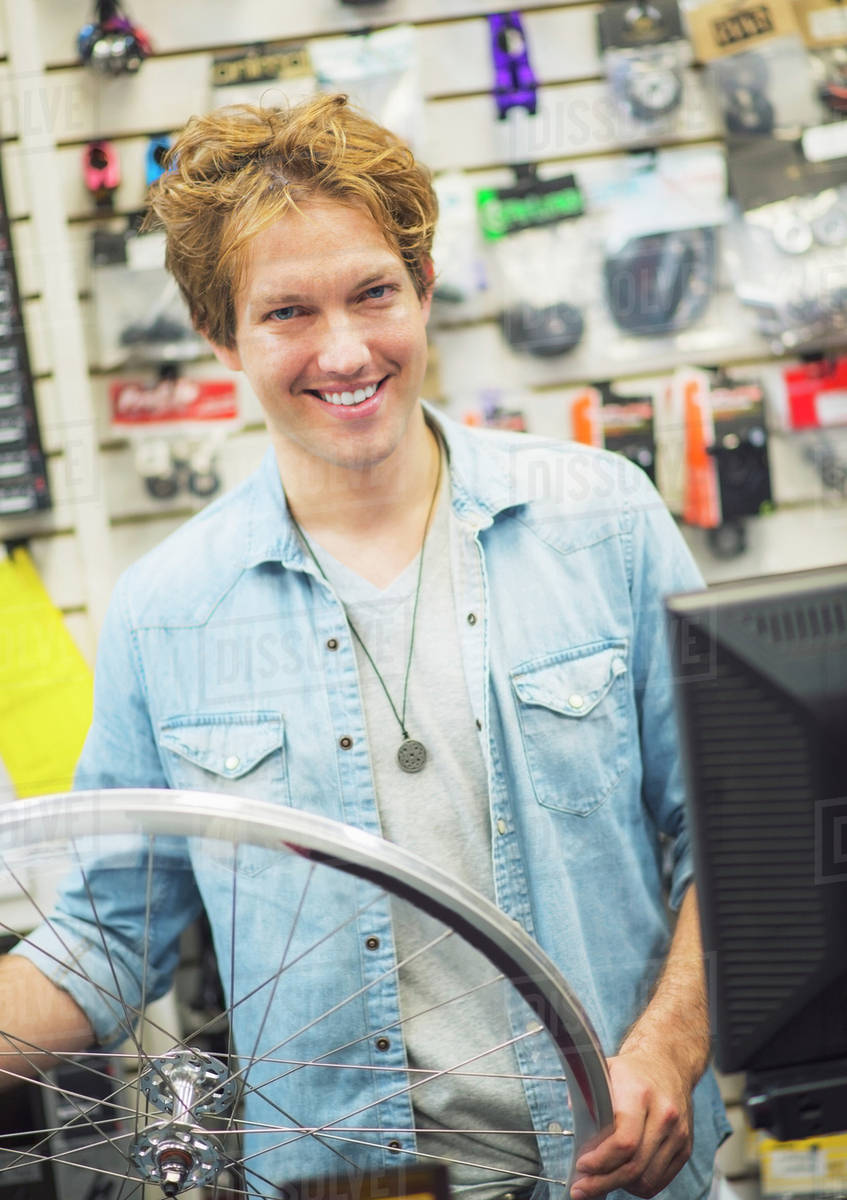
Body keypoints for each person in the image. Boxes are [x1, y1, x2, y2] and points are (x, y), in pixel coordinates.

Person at [1, 95, 729, 1200]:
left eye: (374, 293)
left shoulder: (603, 522)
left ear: (425, 288)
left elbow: (730, 841)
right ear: (221, 335)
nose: (346, 350)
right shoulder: (167, 610)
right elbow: (105, 937)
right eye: (287, 311)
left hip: (613, 1173)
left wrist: (671, 1046)